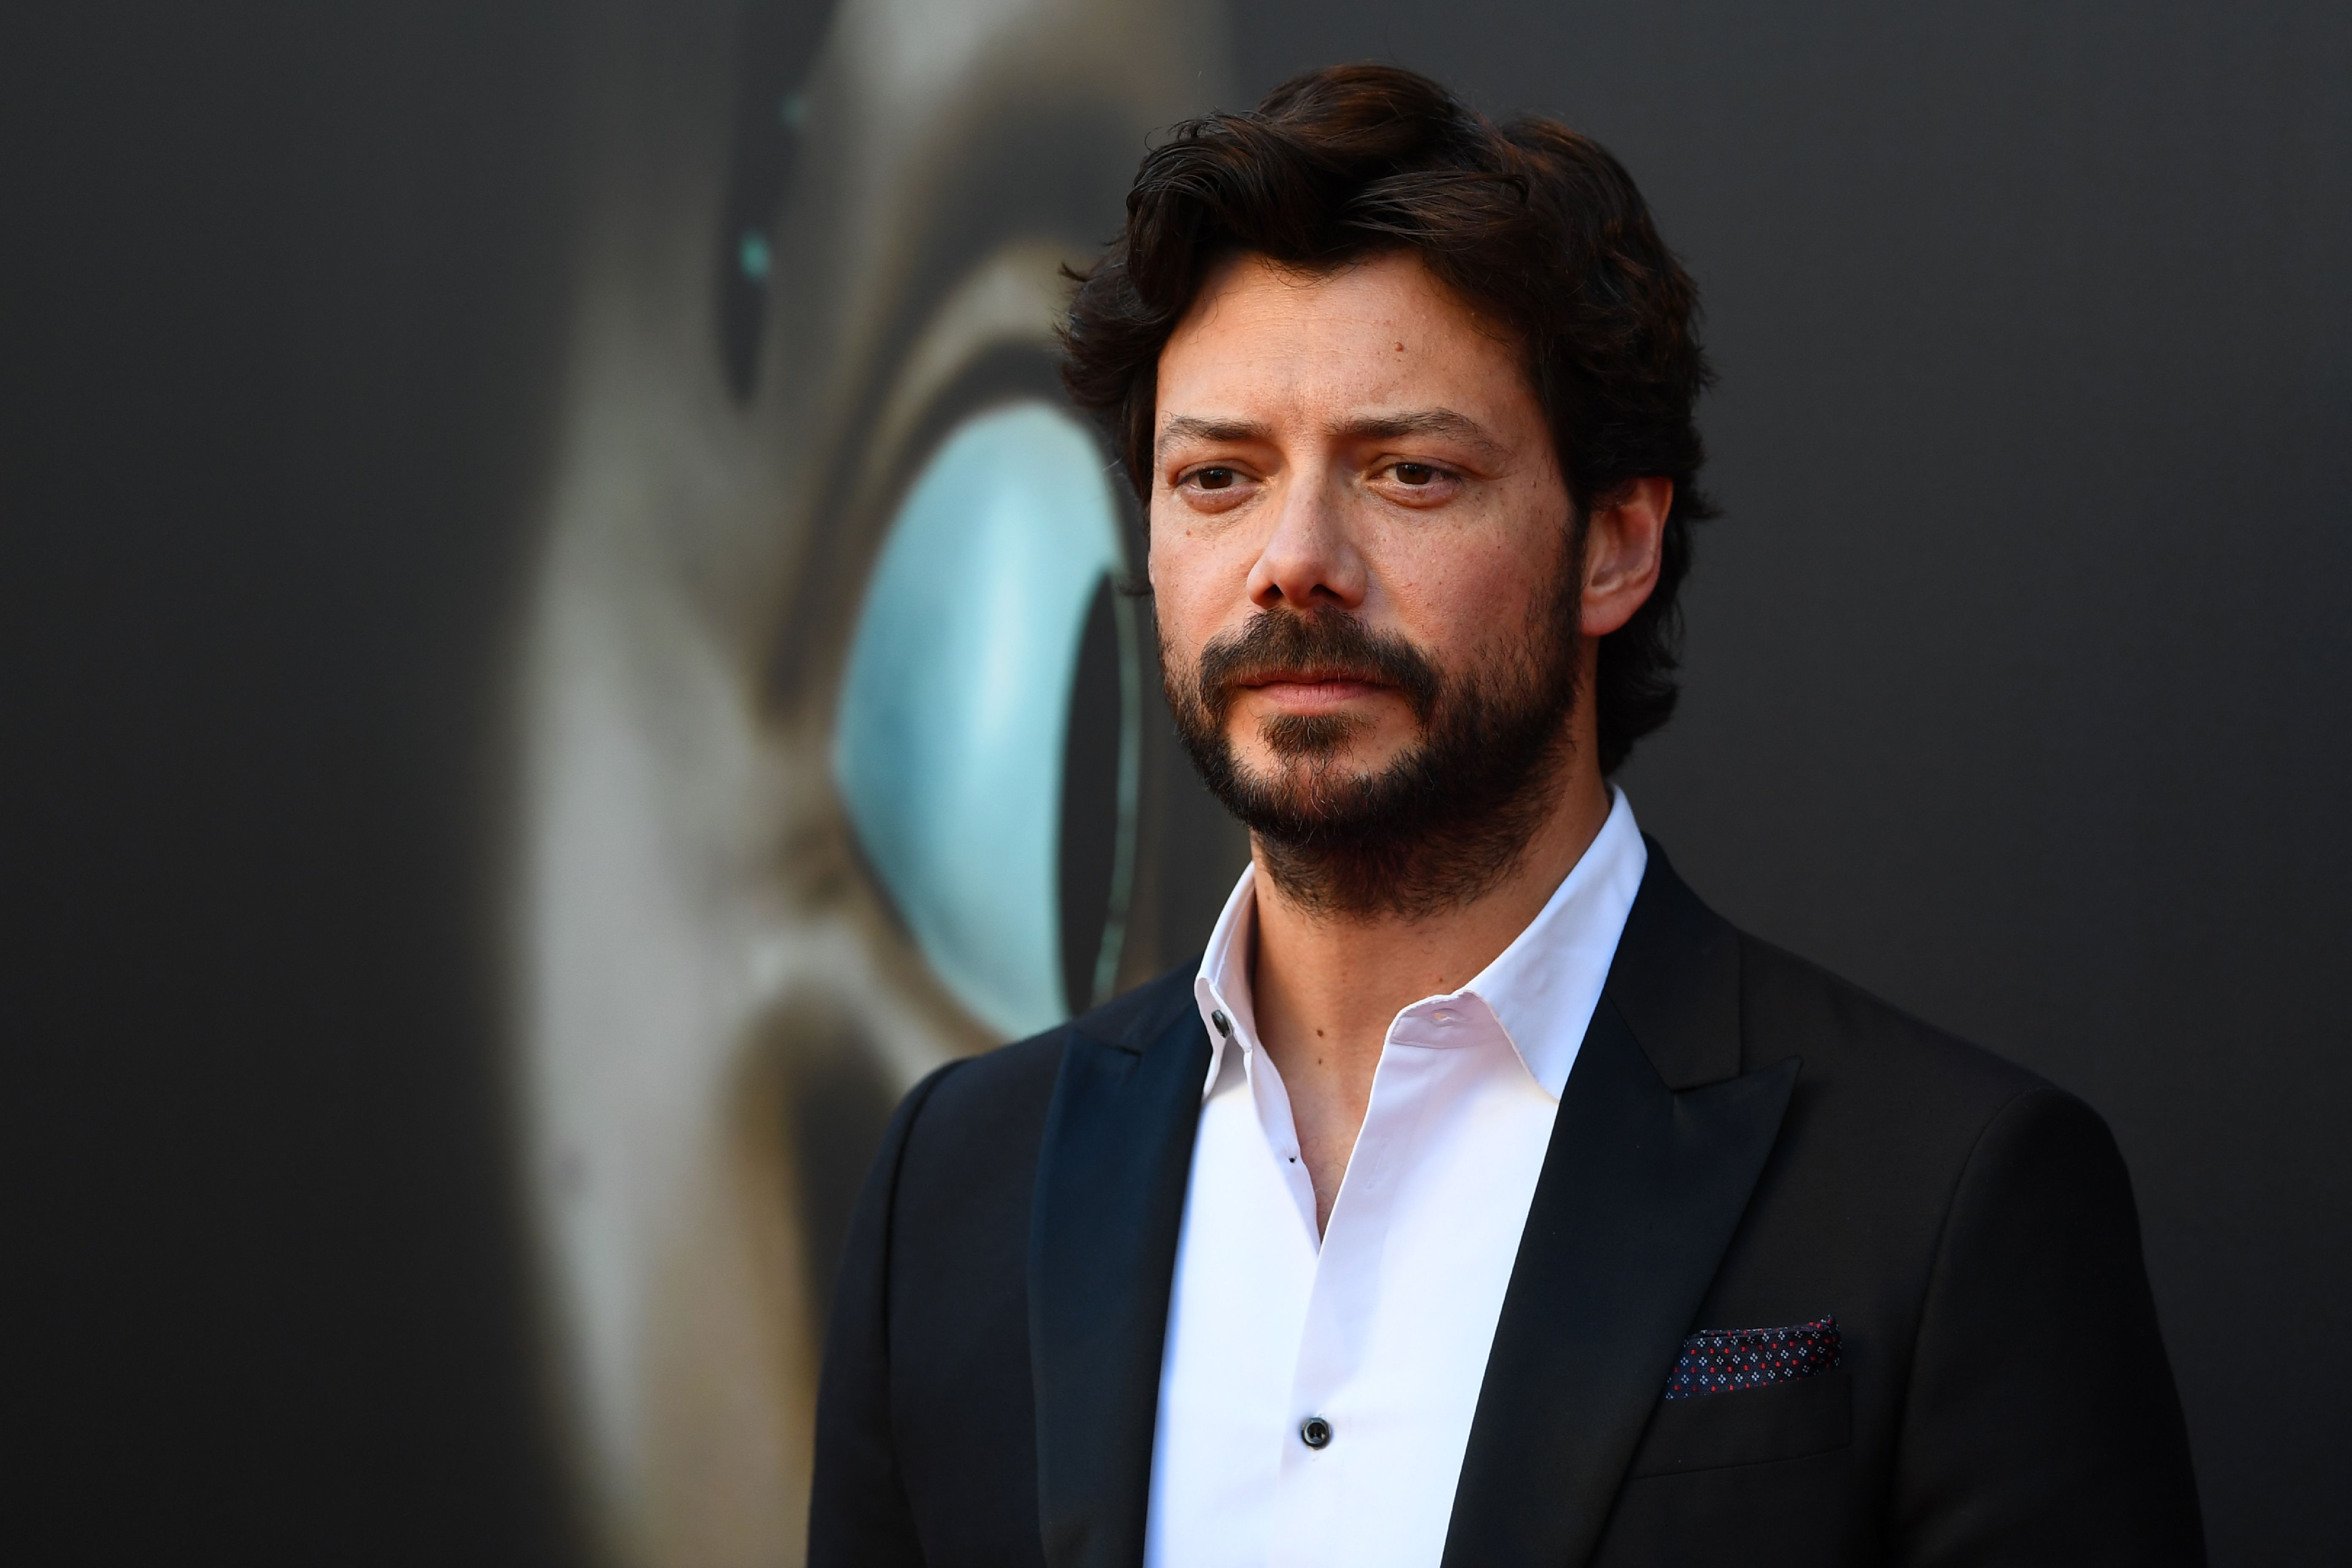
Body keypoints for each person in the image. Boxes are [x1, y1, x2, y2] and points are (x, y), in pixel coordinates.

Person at [808, 64, 2201, 1568]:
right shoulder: (957, 1182)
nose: (1294, 561)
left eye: (1408, 472)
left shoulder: (1946, 1194)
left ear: (1616, 544)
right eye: (1218, 476)